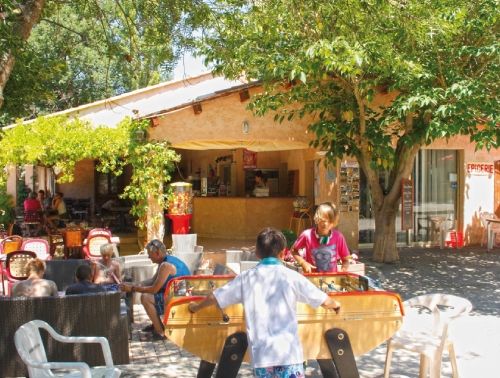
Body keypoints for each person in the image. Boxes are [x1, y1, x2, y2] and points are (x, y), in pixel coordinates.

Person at [188, 228, 341, 377]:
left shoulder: (246, 278)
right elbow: (324, 301)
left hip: (263, 358)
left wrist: (196, 307)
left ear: (257, 253)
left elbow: (215, 297)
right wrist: (336, 305)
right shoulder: (292, 277)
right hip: (289, 356)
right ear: (283, 253)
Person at [119, 239, 190, 341]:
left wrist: (133, 288)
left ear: (157, 253)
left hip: (179, 297)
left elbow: (153, 289)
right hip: (177, 293)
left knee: (146, 297)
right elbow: (153, 280)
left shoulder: (165, 266)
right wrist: (132, 284)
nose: (148, 257)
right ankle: (156, 324)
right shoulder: (166, 260)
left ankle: (160, 332)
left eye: (150, 254)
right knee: (150, 296)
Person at [290, 202, 351, 273]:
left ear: (334, 223)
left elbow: (346, 260)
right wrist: (303, 263)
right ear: (317, 218)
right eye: (323, 220)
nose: (325, 224)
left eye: (330, 221)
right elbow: (293, 250)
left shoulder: (339, 237)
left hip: (331, 280)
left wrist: (343, 271)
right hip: (311, 279)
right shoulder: (306, 235)